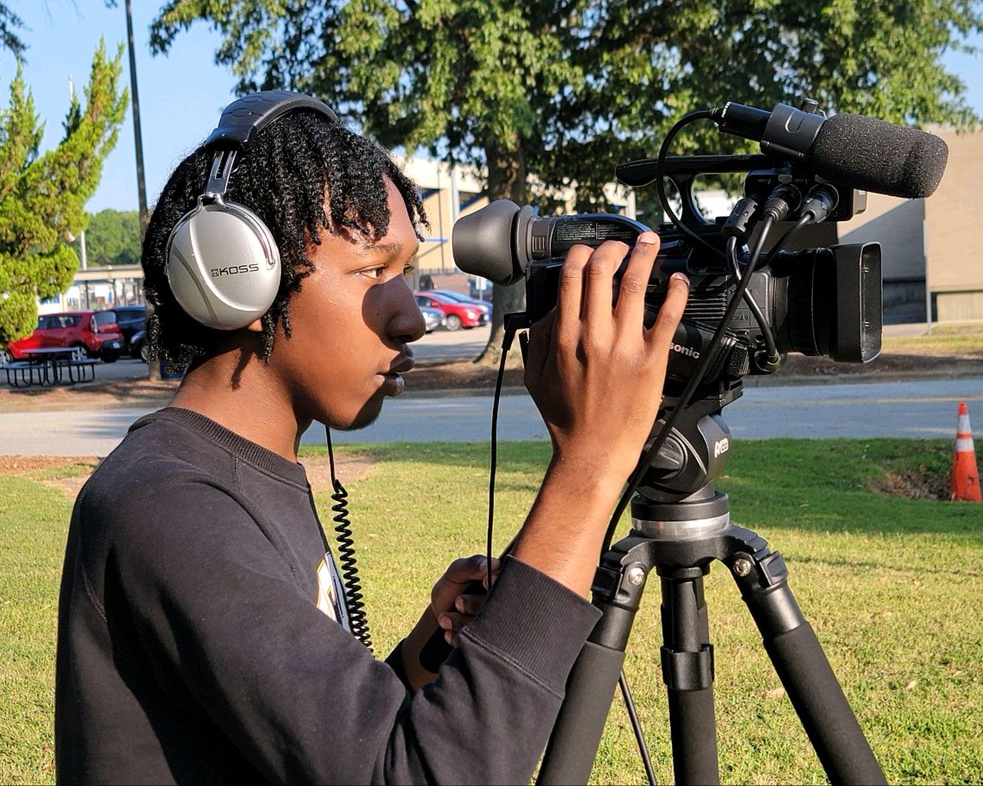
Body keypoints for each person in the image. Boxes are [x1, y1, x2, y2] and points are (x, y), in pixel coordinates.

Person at [54, 94, 690, 784]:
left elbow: (331, 755)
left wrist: (424, 655)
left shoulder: (234, 472)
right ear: (236, 278)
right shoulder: (166, 506)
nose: (412, 319)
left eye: (407, 275)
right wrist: (592, 463)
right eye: (371, 271)